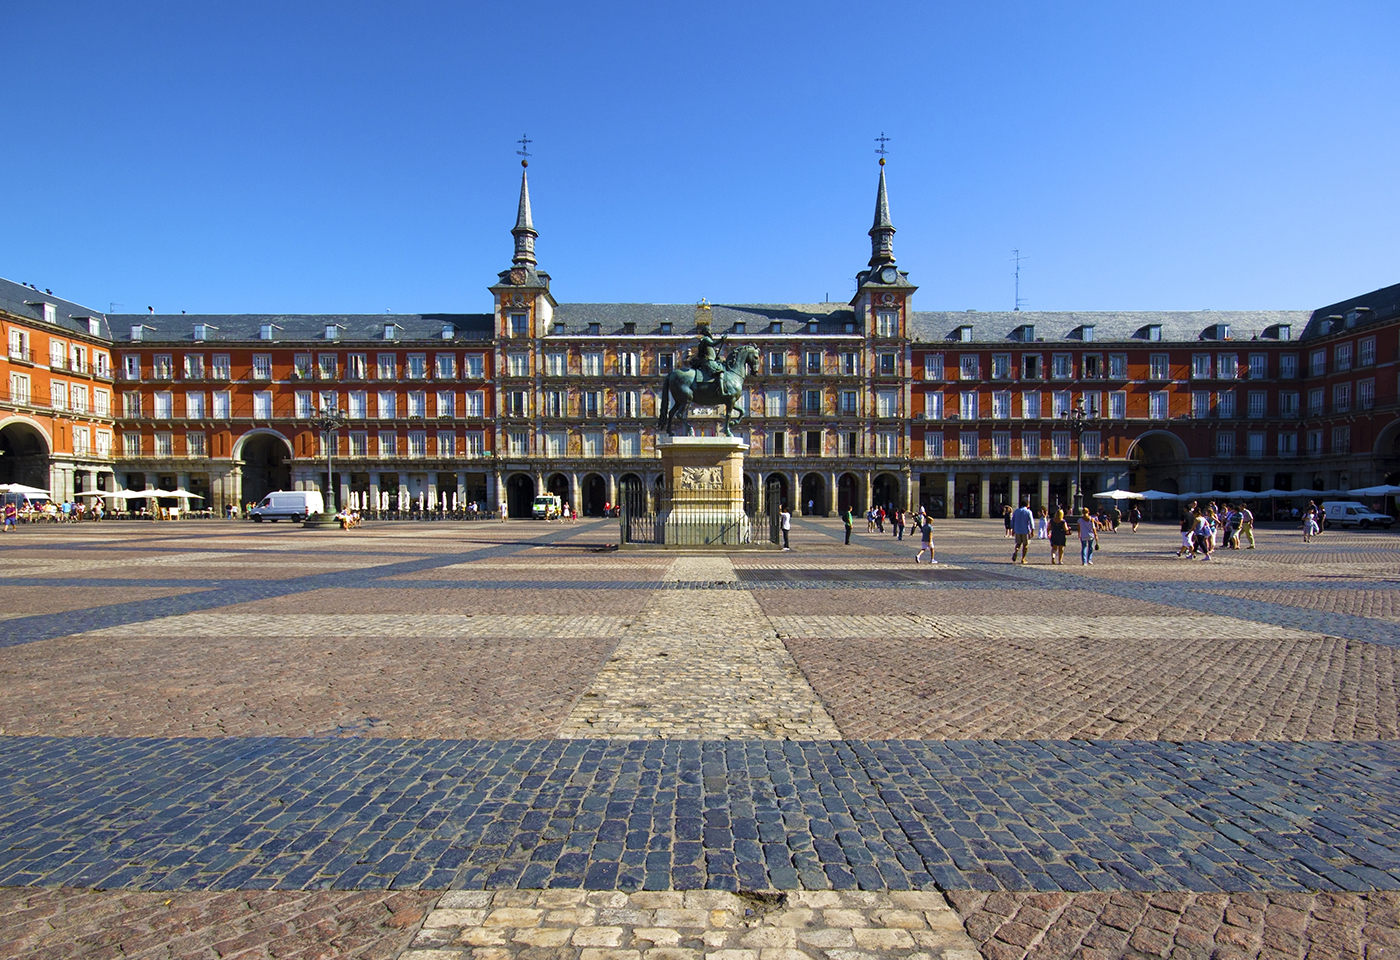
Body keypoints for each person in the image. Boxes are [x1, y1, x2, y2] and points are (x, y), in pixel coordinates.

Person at [1011, 497, 1035, 564]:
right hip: (1025, 530)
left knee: (1018, 543)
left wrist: (1012, 529)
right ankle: (1023, 558)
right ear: (1027, 505)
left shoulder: (1016, 511)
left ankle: (1016, 551)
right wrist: (1032, 530)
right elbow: (1031, 521)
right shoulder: (1028, 512)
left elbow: (1013, 520)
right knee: (1025, 545)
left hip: (1017, 530)